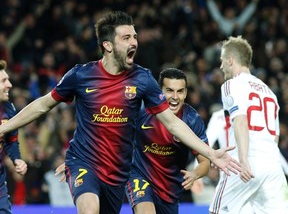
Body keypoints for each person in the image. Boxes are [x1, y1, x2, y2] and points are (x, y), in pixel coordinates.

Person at [0, 11, 240, 214]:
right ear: (108, 45)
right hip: (83, 162)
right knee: (89, 208)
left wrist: (210, 153)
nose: (134, 42)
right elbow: (42, 105)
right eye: (126, 37)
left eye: (135, 36)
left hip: (116, 175)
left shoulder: (143, 79)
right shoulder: (80, 75)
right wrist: (5, 127)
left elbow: (173, 123)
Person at [209, 36, 288, 214]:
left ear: (230, 60)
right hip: (272, 166)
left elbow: (241, 121)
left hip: (243, 163)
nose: (221, 66)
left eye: (222, 61)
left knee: (216, 211)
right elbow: (274, 136)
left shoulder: (231, 85)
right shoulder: (270, 93)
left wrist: (244, 160)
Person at [125, 68, 210, 214]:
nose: (175, 97)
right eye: (169, 90)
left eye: (180, 91)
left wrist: (195, 174)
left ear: (186, 93)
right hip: (140, 176)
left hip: (170, 191)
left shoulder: (192, 120)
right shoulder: (142, 110)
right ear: (160, 91)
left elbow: (205, 162)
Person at [0, 60, 27, 213]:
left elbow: (11, 140)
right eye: (4, 80)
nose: (9, 85)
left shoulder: (8, 109)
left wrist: (16, 158)